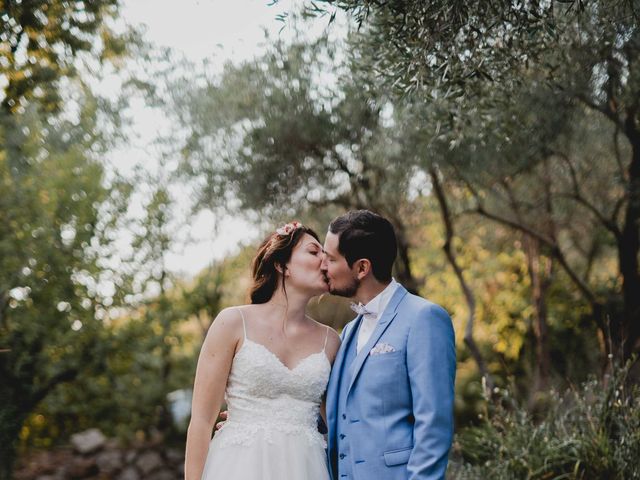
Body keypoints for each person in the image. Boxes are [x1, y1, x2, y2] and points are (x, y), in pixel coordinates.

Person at [184, 221, 341, 480]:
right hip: (238, 466)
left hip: (307, 468)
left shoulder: (331, 341)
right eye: (314, 252)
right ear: (281, 265)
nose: (325, 260)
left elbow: (338, 423)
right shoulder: (233, 323)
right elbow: (201, 421)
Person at [321, 210, 456, 480]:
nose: (322, 266)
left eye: (330, 258)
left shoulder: (423, 318)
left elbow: (433, 424)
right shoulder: (348, 332)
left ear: (361, 267)